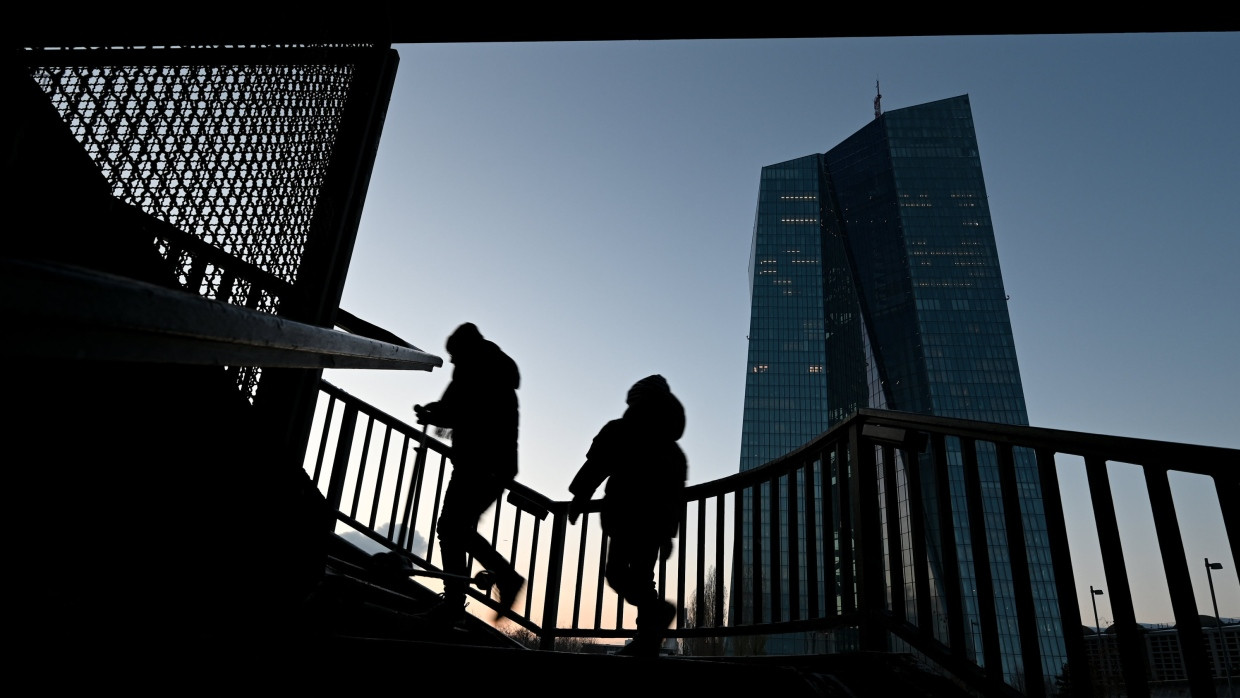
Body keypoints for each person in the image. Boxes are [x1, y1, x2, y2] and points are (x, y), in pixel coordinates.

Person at [412, 322, 525, 627]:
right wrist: (435, 412)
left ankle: (470, 594)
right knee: (455, 528)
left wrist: (434, 414)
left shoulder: (477, 372)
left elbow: (465, 411)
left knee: (452, 528)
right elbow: (457, 408)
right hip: (487, 465)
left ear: (464, 351)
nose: (451, 361)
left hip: (480, 464)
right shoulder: (487, 369)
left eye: (454, 355)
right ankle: (464, 596)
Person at [568, 375, 688, 657]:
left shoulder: (620, 430)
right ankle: (647, 640)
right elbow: (675, 496)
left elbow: (595, 467)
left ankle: (655, 618)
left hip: (625, 518)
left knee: (617, 573)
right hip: (654, 525)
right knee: (644, 578)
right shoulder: (673, 450)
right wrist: (669, 532)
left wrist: (579, 498)